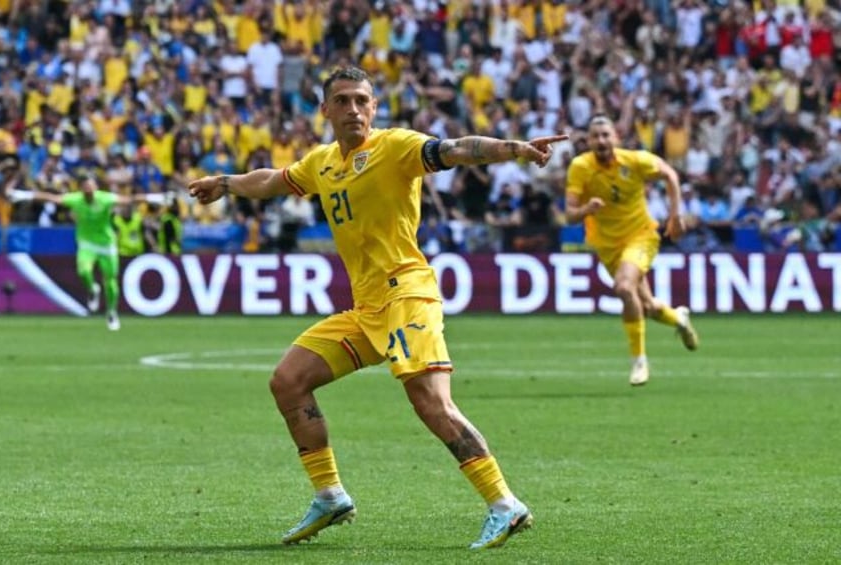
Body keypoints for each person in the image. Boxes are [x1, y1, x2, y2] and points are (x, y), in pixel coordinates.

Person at [189, 66, 566, 550]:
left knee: (431, 401)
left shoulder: (395, 146)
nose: (354, 109)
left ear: (374, 106)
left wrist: (512, 148)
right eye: (342, 100)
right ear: (324, 110)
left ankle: (504, 503)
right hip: (367, 308)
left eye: (362, 100)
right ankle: (329, 495)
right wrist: (225, 182)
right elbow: (273, 181)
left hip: (407, 291)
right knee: (288, 380)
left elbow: (454, 149)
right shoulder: (321, 163)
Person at [564, 115, 699, 386]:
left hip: (641, 236)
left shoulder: (635, 160)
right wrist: (585, 210)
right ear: (588, 141)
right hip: (607, 246)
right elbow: (569, 215)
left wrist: (675, 215)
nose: (601, 141)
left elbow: (670, 175)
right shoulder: (580, 167)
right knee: (646, 306)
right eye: (595, 136)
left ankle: (639, 361)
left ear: (616, 137)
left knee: (624, 287)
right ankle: (679, 318)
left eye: (606, 135)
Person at [9, 174, 166, 330]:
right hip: (87, 244)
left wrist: (155, 198)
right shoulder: (76, 199)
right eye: (86, 188)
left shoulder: (105, 198)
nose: (89, 190)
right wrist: (23, 195)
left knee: (110, 280)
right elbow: (51, 198)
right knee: (83, 271)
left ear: (96, 187)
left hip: (106, 243)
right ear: (82, 189)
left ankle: (111, 312)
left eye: (91, 187)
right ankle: (92, 289)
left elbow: (130, 200)